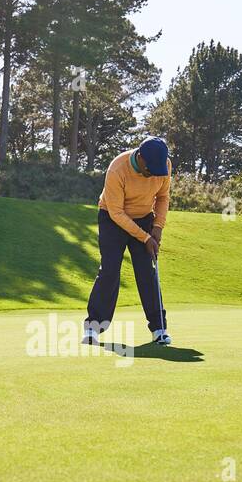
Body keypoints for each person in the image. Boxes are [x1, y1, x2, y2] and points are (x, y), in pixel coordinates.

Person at [84, 136, 173, 346]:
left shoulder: (164, 165)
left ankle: (159, 328)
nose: (153, 173)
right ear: (140, 159)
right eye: (150, 168)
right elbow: (116, 212)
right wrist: (145, 237)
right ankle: (93, 328)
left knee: (147, 271)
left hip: (144, 217)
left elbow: (163, 197)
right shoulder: (118, 169)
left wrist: (157, 227)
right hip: (112, 218)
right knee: (110, 270)